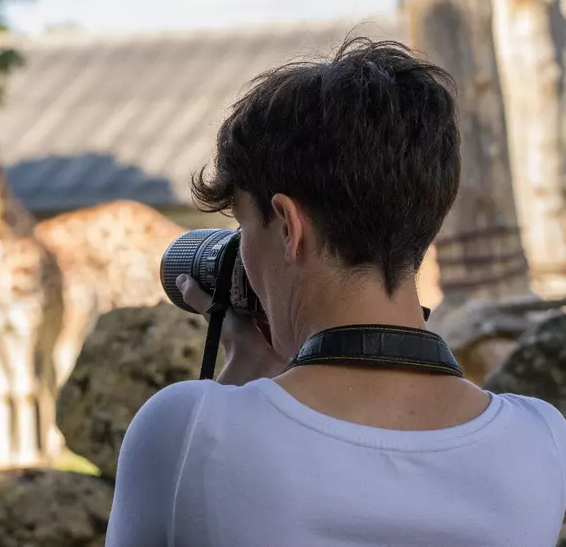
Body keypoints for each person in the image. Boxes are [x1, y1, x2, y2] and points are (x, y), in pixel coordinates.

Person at [105, 36, 566, 546]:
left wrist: (247, 370)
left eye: (243, 227)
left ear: (287, 226)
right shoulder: (542, 440)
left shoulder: (186, 428)